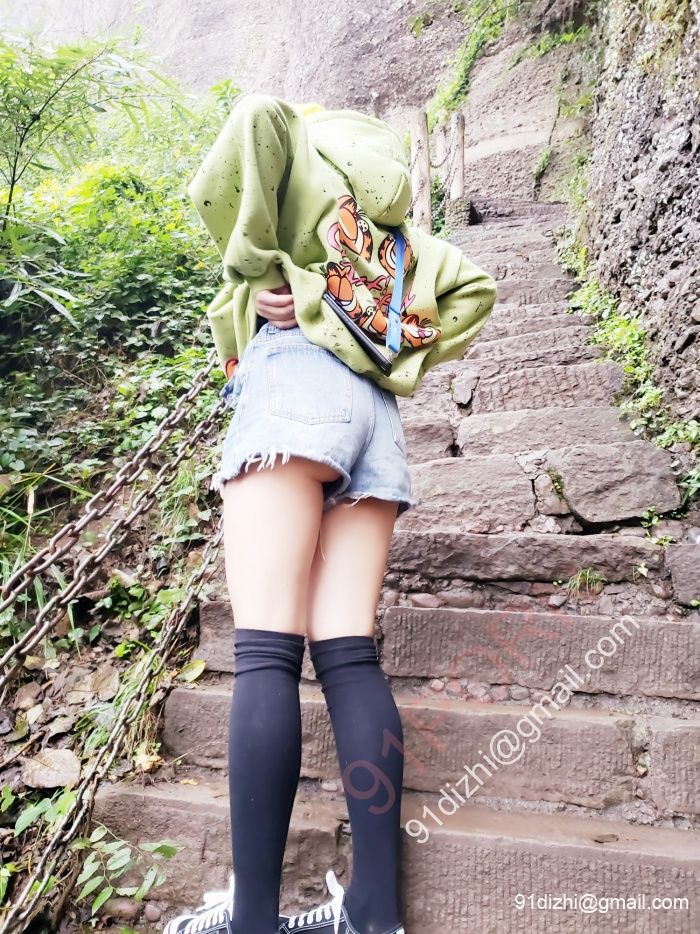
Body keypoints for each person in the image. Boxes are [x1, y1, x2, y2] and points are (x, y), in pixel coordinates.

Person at [165, 94, 496, 934]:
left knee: (266, 652)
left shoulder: (301, 169)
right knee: (348, 657)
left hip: (291, 390)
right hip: (375, 422)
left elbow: (254, 117)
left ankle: (253, 921)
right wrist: (384, 340)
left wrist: (281, 276)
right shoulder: (398, 241)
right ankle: (376, 914)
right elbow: (476, 290)